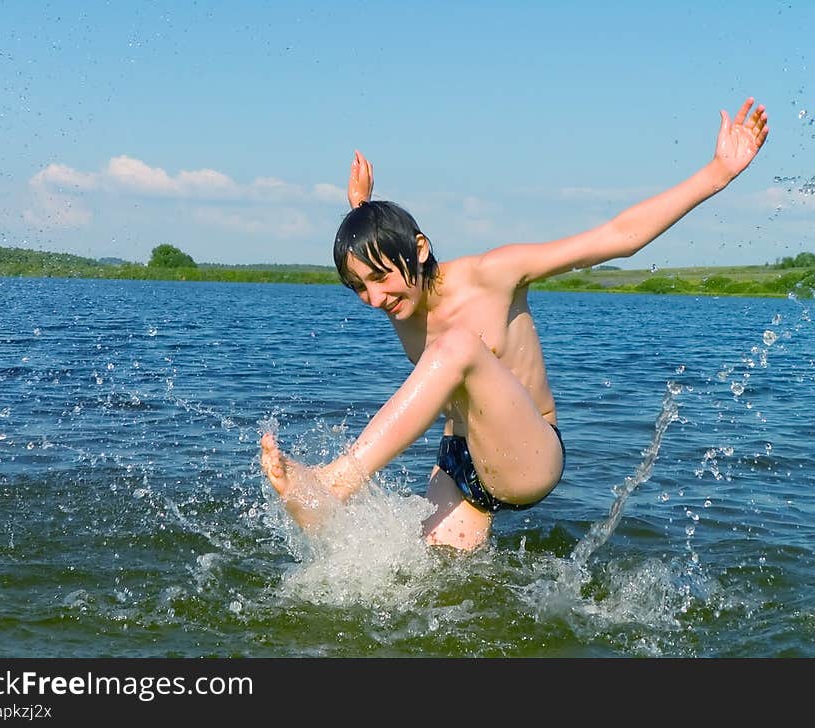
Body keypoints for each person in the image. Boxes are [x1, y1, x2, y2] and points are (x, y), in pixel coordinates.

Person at [260, 98, 769, 550]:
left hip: (529, 456)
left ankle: (336, 483)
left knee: (457, 346)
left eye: (380, 281)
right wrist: (362, 209)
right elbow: (380, 251)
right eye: (360, 289)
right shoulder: (400, 292)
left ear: (419, 251)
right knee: (425, 595)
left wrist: (717, 173)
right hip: (458, 462)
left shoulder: (494, 274)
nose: (374, 300)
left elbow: (617, 235)